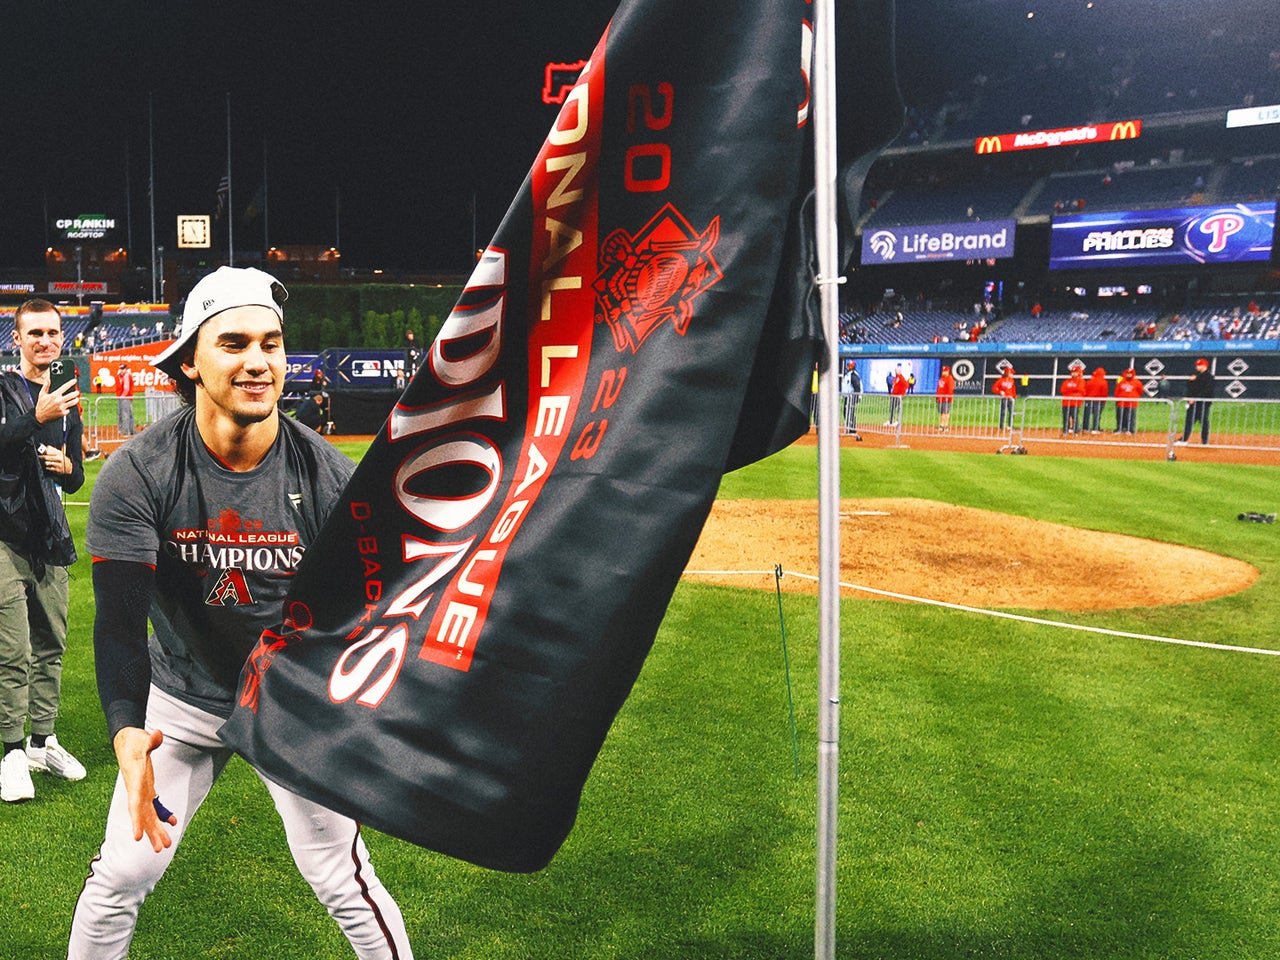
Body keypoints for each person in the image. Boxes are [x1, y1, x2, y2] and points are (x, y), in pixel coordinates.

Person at [69, 267, 414, 959]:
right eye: (233, 343)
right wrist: (126, 732)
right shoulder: (139, 472)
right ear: (190, 360)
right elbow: (118, 623)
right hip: (181, 702)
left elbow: (367, 617)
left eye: (271, 344)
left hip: (286, 701)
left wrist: (345, 711)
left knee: (342, 877)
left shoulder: (328, 477)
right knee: (124, 871)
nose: (258, 362)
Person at [0, 299, 87, 803]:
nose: (44, 341)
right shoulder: (5, 389)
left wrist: (64, 466)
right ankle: (11, 753)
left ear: (60, 340)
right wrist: (36, 417)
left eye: (52, 333)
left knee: (51, 646)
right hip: (6, 538)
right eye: (34, 333)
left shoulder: (67, 401)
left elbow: (75, 477)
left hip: (50, 538)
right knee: (14, 651)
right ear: (18, 340)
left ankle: (41, 742)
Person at [1178, 357, 1215, 445]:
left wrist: (1195, 398)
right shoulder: (1196, 375)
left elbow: (1207, 390)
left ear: (1204, 366)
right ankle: (1184, 439)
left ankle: (1205, 440)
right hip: (1193, 403)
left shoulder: (1209, 377)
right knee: (1189, 420)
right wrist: (1190, 381)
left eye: (1199, 365)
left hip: (1203, 403)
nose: (1197, 367)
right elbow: (1191, 389)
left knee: (1203, 421)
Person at [1113, 367, 1143, 434]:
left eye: (1130, 374)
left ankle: (1130, 429)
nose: (1129, 375)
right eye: (1128, 374)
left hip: (1132, 403)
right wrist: (1117, 399)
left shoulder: (1137, 382)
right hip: (1121, 402)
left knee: (1131, 416)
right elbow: (1117, 390)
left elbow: (1140, 391)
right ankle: (1120, 428)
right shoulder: (1121, 381)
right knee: (1120, 416)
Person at [1058, 364, 1085, 435]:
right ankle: (1065, 431)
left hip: (1075, 402)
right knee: (1066, 417)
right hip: (1066, 402)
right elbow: (1063, 389)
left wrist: (1070, 390)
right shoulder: (1067, 381)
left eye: (1075, 372)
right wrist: (1073, 390)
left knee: (1075, 417)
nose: (1074, 373)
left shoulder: (1081, 381)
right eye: (1073, 372)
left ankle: (1075, 431)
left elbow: (1080, 390)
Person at [840, 359, 863, 440]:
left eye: (849, 365)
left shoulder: (853, 375)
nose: (847, 367)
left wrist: (856, 397)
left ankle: (851, 429)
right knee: (846, 412)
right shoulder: (848, 374)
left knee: (850, 412)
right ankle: (848, 427)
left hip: (851, 397)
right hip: (847, 397)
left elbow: (857, 386)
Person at [1084, 366, 1109, 434]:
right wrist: (1103, 401)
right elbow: (1104, 392)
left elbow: (1085, 390)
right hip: (1098, 400)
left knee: (1087, 414)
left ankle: (1085, 428)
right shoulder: (1103, 382)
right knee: (1096, 415)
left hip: (1088, 400)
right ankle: (1095, 428)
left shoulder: (1089, 381)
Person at [992, 365, 1017, 430]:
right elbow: (994, 388)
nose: (1012, 374)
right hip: (1004, 398)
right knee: (1003, 412)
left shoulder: (1012, 380)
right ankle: (1001, 426)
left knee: (1012, 412)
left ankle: (1010, 425)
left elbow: (1013, 389)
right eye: (1011, 373)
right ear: (1007, 373)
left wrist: (1014, 396)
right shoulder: (1000, 380)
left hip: (1011, 398)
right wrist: (1000, 392)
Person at [115, 362, 135, 436]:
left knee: (126, 414)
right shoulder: (119, 376)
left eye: (123, 369)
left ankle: (127, 431)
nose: (121, 370)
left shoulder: (126, 376)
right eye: (120, 369)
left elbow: (126, 388)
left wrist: (122, 396)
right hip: (122, 397)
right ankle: (129, 430)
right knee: (126, 414)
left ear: (126, 369)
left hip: (125, 397)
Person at [935, 364, 955, 431]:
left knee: (945, 412)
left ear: (948, 371)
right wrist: (937, 397)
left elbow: (950, 389)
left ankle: (945, 426)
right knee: (941, 412)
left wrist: (948, 398)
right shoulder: (941, 378)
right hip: (940, 398)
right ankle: (941, 425)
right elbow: (939, 388)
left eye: (945, 371)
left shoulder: (949, 378)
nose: (943, 372)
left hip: (946, 398)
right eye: (943, 371)